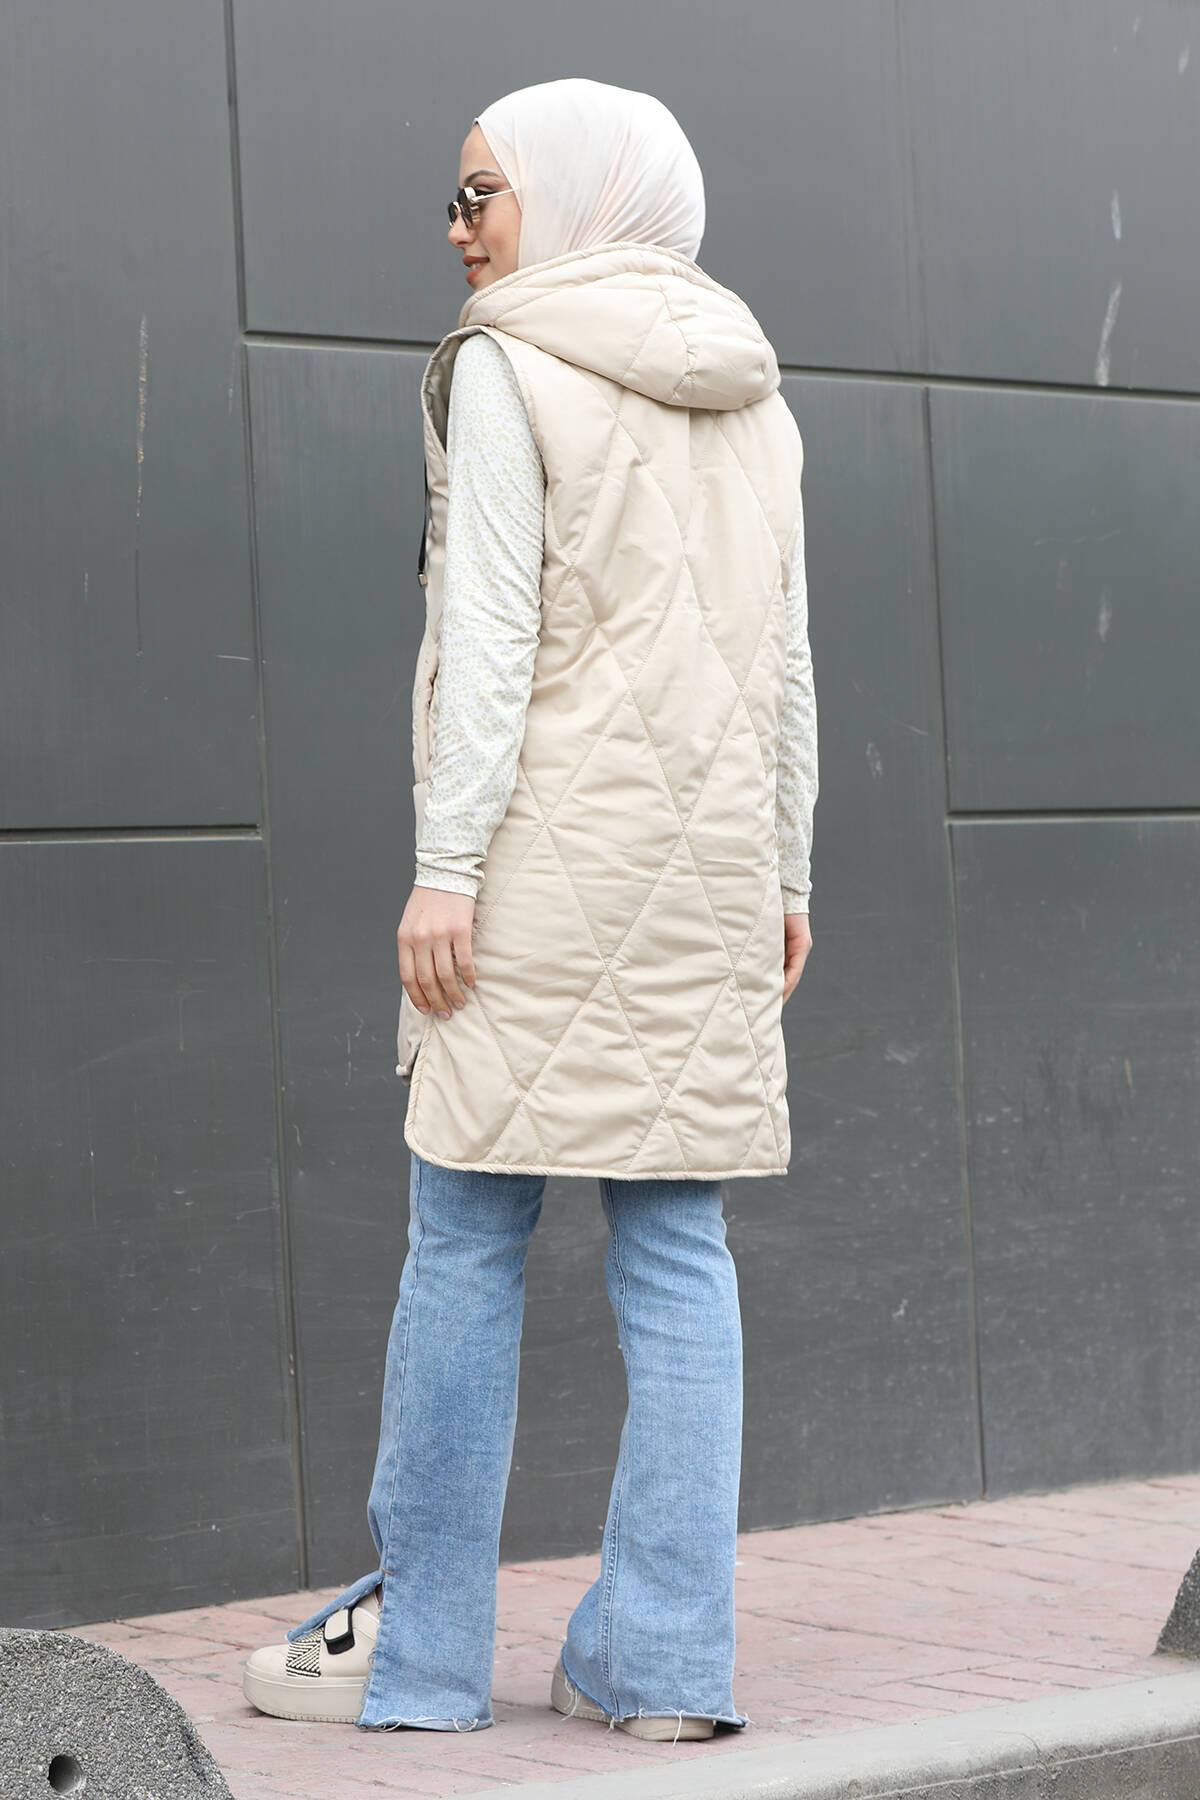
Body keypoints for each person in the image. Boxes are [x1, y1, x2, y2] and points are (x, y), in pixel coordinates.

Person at [243, 76, 817, 1745]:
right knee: (681, 1255)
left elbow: (492, 635)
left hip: (533, 875)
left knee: (466, 1245)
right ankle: (663, 1668)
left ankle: (423, 1663)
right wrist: (787, 870)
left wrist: (446, 866)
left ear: (569, 196)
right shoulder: (756, 391)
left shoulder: (509, 365)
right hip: (705, 881)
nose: (456, 229)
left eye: (480, 194)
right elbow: (785, 663)